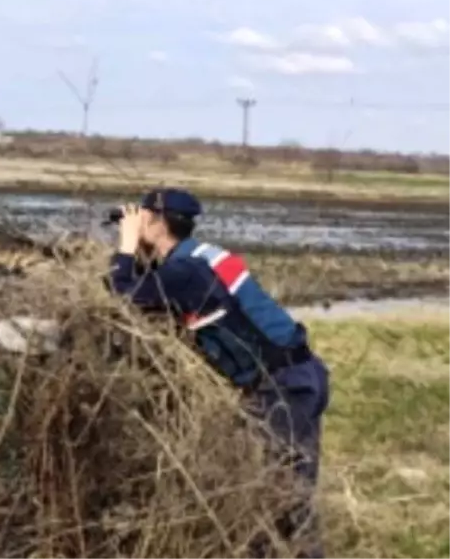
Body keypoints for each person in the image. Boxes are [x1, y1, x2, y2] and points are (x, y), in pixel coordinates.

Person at [105, 187, 329, 559]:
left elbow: (122, 293)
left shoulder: (186, 270)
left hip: (284, 388)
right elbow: (157, 297)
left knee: (280, 500)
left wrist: (126, 246)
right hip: (293, 379)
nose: (133, 223)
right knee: (275, 497)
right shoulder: (194, 259)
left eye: (141, 216)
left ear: (158, 223)